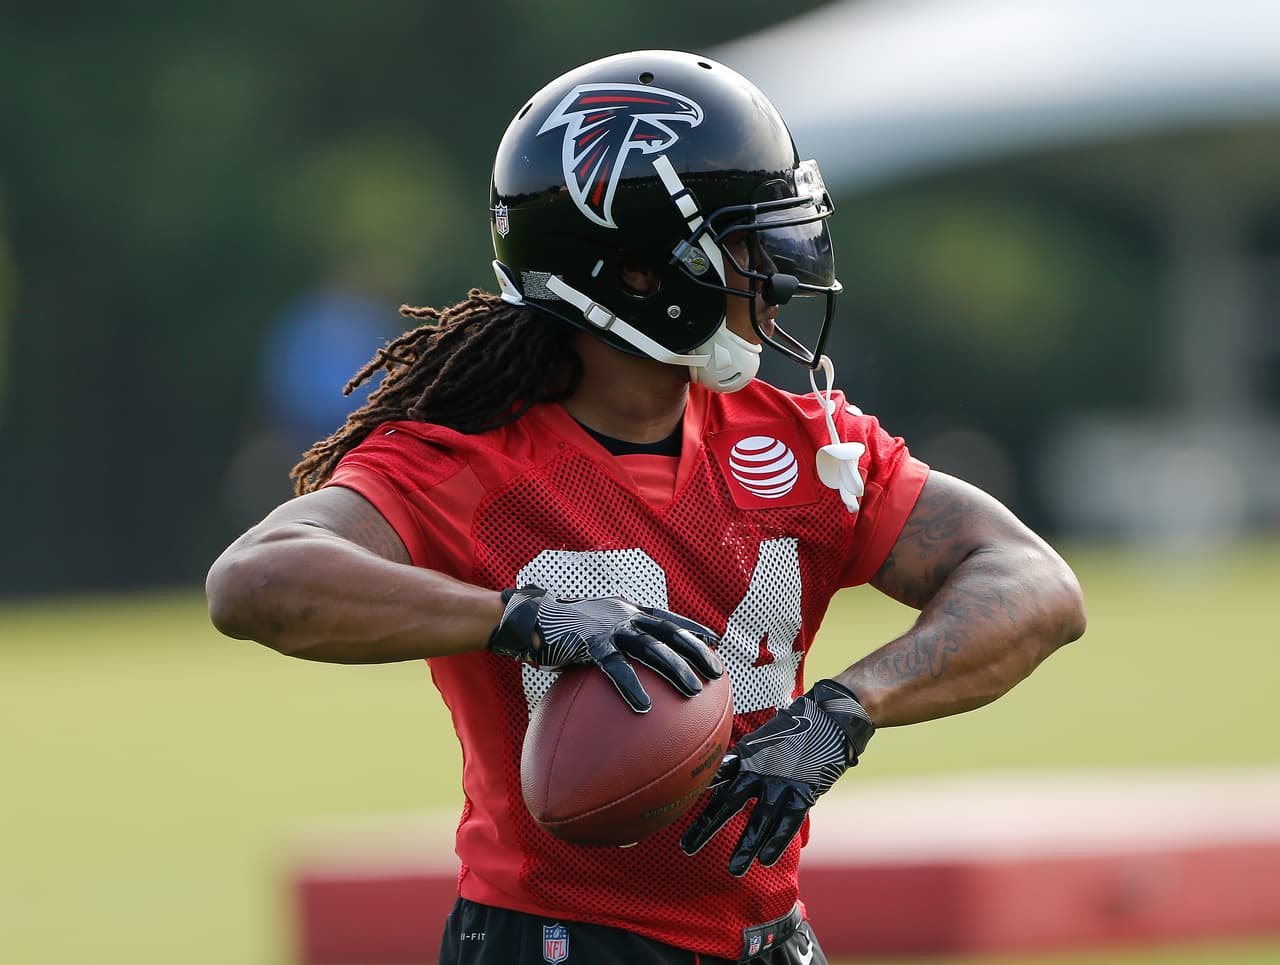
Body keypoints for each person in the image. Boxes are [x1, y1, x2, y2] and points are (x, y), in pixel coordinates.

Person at [206, 49, 1086, 965]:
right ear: (638, 275)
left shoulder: (801, 443)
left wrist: (846, 708)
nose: (776, 273)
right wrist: (519, 619)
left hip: (764, 936)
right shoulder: (468, 462)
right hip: (559, 939)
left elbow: (1035, 584)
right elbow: (255, 581)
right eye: (744, 245)